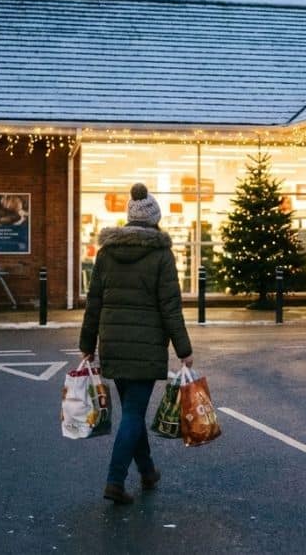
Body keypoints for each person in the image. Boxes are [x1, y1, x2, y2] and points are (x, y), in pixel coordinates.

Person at [80, 182, 193, 505]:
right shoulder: (161, 255)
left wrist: (87, 343)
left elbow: (94, 302)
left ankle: (147, 472)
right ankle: (115, 480)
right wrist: (184, 350)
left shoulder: (107, 253)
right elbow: (170, 306)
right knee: (132, 414)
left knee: (133, 411)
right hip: (145, 348)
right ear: (154, 220)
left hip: (113, 344)